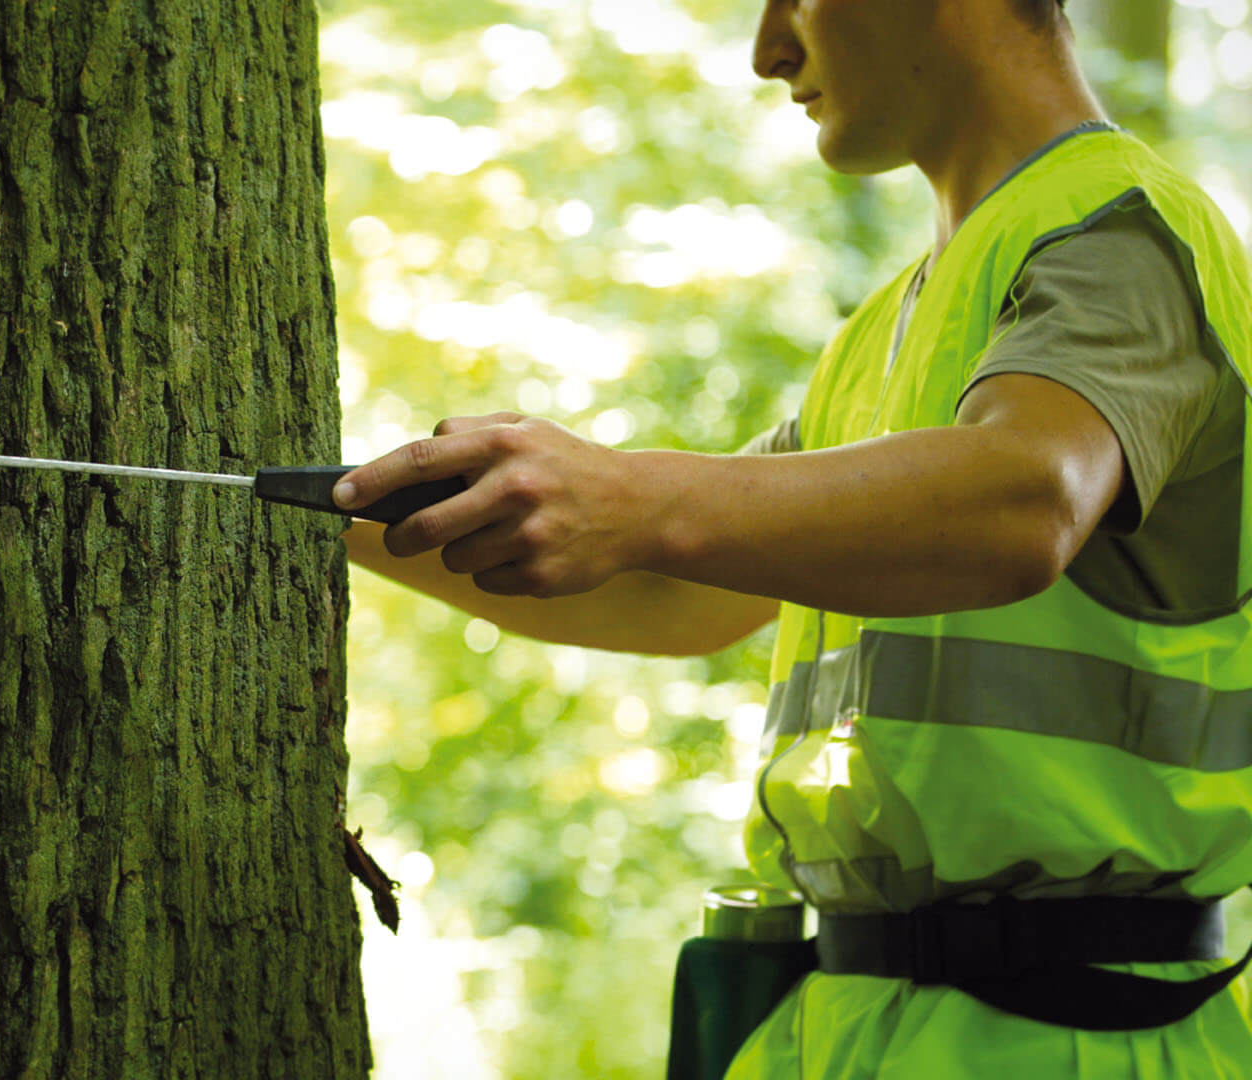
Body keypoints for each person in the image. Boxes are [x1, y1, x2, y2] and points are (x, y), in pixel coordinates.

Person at [335, 0, 1252, 1075]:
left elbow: (1025, 499)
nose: (768, 50)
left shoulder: (1120, 230)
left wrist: (633, 497)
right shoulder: (882, 333)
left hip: (1066, 1041)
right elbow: (674, 591)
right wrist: (339, 511)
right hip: (856, 1024)